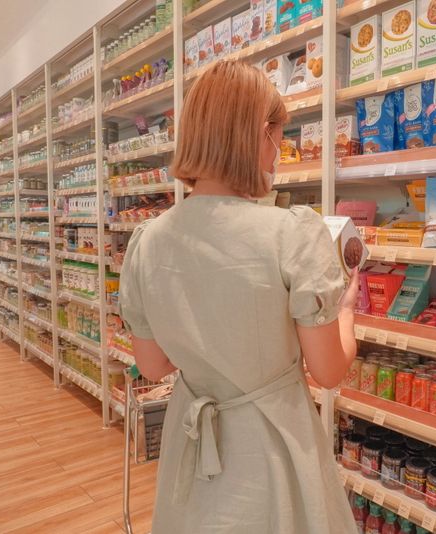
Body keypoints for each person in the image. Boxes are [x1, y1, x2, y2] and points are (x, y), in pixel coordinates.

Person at [119, 60, 359, 534]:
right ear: (258, 134)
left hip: (190, 444)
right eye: (278, 138)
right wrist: (346, 312)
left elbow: (153, 366)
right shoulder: (291, 234)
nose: (277, 155)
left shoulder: (147, 241)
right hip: (272, 449)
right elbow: (328, 370)